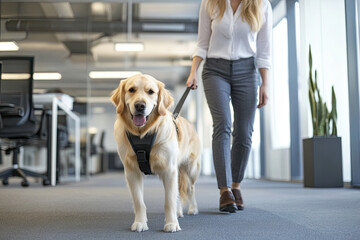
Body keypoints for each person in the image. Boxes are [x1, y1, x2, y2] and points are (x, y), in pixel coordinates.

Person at [186, 0, 272, 212]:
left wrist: (265, 84)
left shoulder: (262, 5)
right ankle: (225, 190)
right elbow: (202, 44)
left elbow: (264, 50)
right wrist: (193, 71)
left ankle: (236, 186)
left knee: (244, 131)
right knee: (222, 125)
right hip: (215, 70)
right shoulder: (210, 3)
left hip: (247, 70)